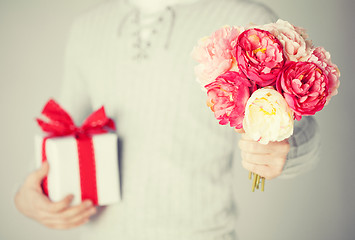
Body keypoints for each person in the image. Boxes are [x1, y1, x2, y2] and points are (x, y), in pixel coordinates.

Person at [14, 0, 320, 239]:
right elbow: (61, 133)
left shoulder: (247, 19)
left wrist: (284, 148)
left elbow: (303, 132)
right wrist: (30, 194)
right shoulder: (86, 27)